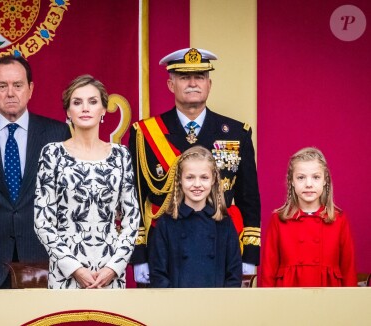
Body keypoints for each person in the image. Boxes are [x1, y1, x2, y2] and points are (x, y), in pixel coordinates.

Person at [129, 47, 260, 284]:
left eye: (199, 77)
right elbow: (135, 198)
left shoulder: (237, 133)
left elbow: (248, 198)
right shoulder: (145, 134)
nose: (192, 83)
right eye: (184, 77)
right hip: (164, 249)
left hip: (220, 245)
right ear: (171, 84)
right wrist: (140, 256)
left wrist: (249, 255)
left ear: (209, 84)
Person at [0, 55, 70, 289]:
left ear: (30, 89)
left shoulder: (58, 134)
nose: (10, 93)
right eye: (2, 86)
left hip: (42, 260)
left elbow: (67, 201)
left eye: (18, 85)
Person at [34, 75, 140, 289]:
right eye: (77, 102)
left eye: (92, 102)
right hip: (65, 272)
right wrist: (74, 268)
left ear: (103, 110)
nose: (85, 108)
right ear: (68, 112)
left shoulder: (120, 155)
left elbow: (132, 219)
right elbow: (42, 221)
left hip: (110, 271)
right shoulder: (52, 154)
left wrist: (114, 267)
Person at [261, 147, 357, 287]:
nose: (309, 184)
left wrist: (351, 305)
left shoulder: (338, 219)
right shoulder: (279, 219)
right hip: (288, 296)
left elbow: (349, 269)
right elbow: (268, 270)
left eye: (316, 177)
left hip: (329, 296)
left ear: (325, 180)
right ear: (292, 181)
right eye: (301, 177)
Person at [148, 146, 241, 287]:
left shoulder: (224, 223)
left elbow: (233, 275)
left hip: (216, 305)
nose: (197, 184)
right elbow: (158, 274)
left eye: (204, 178)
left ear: (213, 179)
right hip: (177, 305)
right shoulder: (166, 223)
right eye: (190, 177)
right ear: (179, 179)